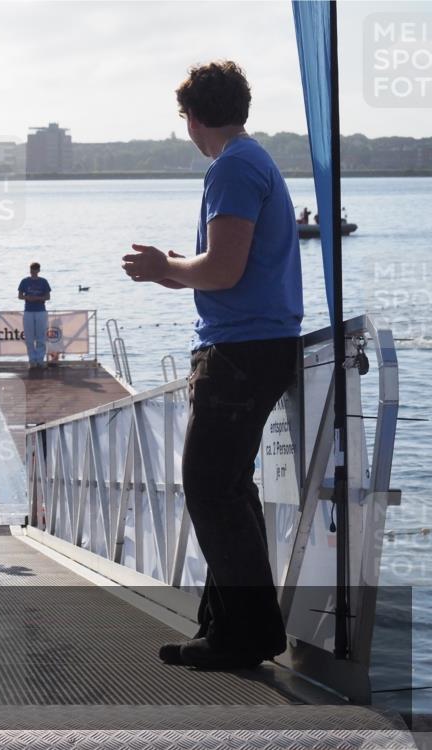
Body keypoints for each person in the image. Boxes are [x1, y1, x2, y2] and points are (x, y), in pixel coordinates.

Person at [121, 60, 303, 670]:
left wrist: (163, 268)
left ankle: (247, 635)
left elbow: (222, 270)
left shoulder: (231, 167)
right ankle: (227, 628)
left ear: (193, 117)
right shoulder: (254, 161)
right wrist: (179, 269)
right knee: (227, 488)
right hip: (259, 345)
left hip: (239, 353)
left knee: (208, 489)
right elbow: (231, 268)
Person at [17, 262, 51, 368]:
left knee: (41, 336)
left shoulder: (43, 281)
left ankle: (40, 360)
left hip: (40, 311)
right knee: (29, 337)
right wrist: (28, 298)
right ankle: (32, 360)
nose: (34, 272)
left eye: (36, 269)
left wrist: (39, 298)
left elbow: (48, 296)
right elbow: (20, 296)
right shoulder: (24, 281)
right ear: (30, 270)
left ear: (38, 270)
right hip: (28, 311)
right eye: (32, 269)